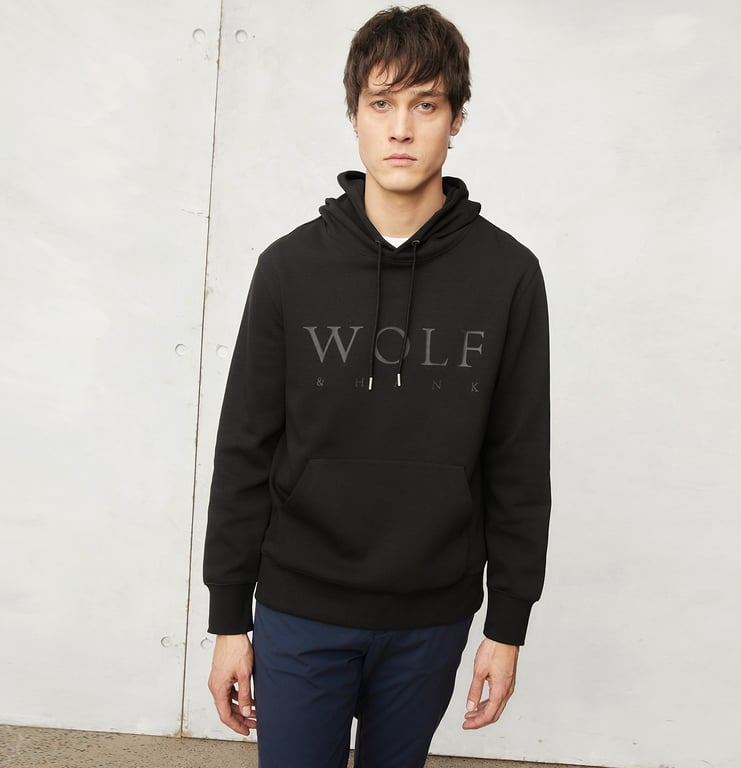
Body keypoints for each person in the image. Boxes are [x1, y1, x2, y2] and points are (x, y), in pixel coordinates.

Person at [203, 6, 551, 767]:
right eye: (381, 103)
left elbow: (519, 462)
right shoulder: (290, 268)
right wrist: (229, 617)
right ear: (354, 115)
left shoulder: (508, 275)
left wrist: (507, 626)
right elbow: (244, 449)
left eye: (425, 105)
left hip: (431, 615)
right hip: (299, 605)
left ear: (456, 119)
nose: (401, 129)